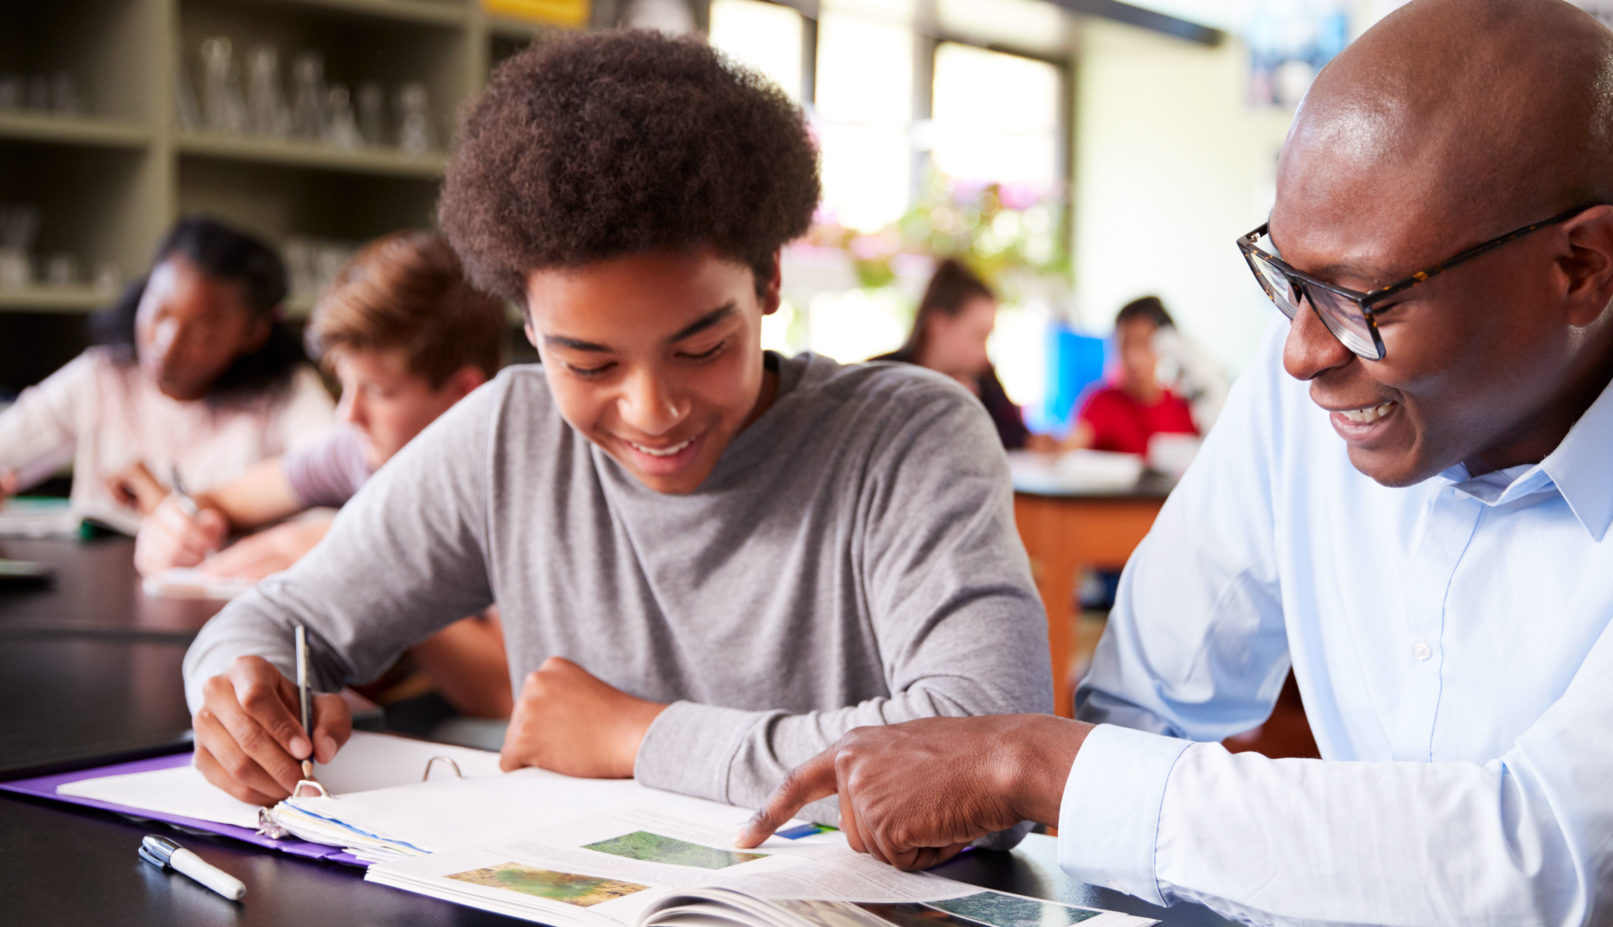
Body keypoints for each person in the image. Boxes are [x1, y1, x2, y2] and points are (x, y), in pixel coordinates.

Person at [737, 2, 1613, 924]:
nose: (1303, 354)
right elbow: (1143, 716)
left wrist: (1031, 761)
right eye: (1287, 275)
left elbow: (1539, 867)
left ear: (1578, 265)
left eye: (1365, 298)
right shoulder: (1322, 395)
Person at [179, 31, 1050, 825]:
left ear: (769, 283)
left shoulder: (911, 437)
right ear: (528, 325)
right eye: (589, 364)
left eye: (703, 347)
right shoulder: (505, 440)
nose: (652, 410)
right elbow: (277, 620)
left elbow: (990, 743)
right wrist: (244, 698)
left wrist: (639, 736)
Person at [138, 230, 513, 720]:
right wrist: (176, 523)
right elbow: (222, 501)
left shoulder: (512, 480)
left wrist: (365, 569)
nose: (347, 414)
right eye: (344, 383)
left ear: (463, 394)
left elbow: (505, 689)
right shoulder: (362, 449)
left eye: (377, 390)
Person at [0, 216, 333, 516]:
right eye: (158, 312)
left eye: (202, 332)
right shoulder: (104, 375)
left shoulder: (286, 392)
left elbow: (339, 483)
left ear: (252, 333)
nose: (167, 345)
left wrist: (175, 511)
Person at [875, 258, 1046, 450]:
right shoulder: (881, 380)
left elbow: (1019, 438)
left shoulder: (984, 380)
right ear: (939, 325)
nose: (984, 352)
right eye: (979, 336)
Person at [1065, 296, 1201, 456]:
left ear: (1164, 345)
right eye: (1124, 345)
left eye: (1142, 343)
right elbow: (1074, 441)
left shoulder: (1185, 408)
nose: (1132, 358)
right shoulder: (1101, 402)